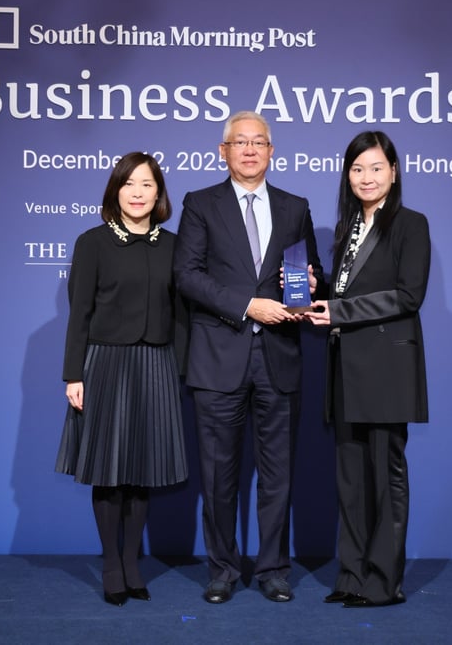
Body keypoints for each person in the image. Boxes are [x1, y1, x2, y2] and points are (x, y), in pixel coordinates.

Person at [173, 111, 325, 604]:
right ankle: (221, 569)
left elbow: (309, 269)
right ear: (224, 152)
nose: (250, 149)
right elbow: (188, 275)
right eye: (240, 142)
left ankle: (273, 569)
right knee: (218, 474)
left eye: (259, 141)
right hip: (219, 355)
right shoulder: (200, 204)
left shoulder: (294, 206)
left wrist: (309, 284)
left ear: (272, 151)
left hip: (279, 358)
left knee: (278, 474)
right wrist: (246, 305)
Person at [56, 151, 188, 607]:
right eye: (129, 183)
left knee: (141, 473)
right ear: (116, 190)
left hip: (156, 365)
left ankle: (133, 563)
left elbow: (184, 316)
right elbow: (79, 315)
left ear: (159, 193)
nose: (138, 192)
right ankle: (112, 565)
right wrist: (74, 374)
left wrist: (181, 369)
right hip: (106, 365)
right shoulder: (92, 242)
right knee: (109, 475)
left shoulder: (172, 246)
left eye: (147, 184)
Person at [305, 131, 430, 608]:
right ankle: (351, 577)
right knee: (351, 480)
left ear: (393, 172)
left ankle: (383, 583)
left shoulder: (411, 225)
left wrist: (339, 311)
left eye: (376, 168)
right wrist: (318, 293)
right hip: (345, 370)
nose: (366, 177)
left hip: (386, 372)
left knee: (385, 477)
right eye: (357, 169)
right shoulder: (346, 230)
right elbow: (345, 297)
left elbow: (407, 295)